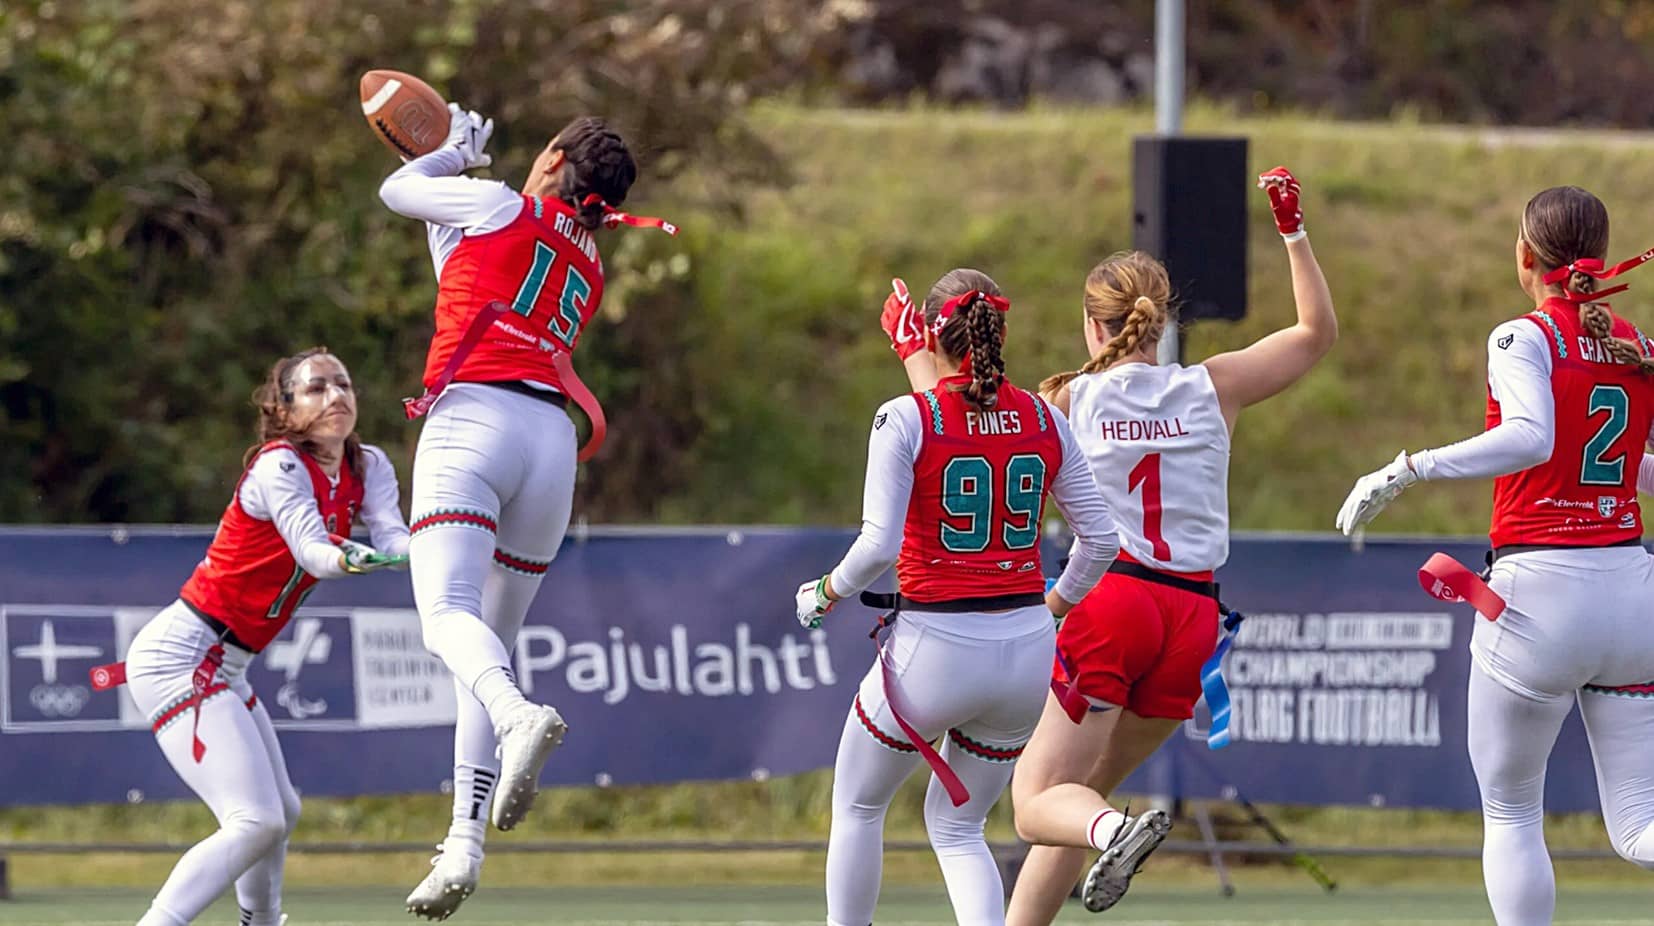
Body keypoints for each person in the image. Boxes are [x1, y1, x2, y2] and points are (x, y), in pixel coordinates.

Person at [1001, 168, 1338, 920]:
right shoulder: (1214, 385)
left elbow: (979, 441)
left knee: (1036, 804)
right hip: (1192, 619)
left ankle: (1117, 829)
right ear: (1162, 322)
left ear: (1095, 326)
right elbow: (1317, 333)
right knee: (1075, 800)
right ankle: (1105, 835)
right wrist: (1293, 231)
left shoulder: (1065, 398)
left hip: (1112, 600)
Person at [378, 102, 669, 919]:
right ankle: (463, 847)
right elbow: (459, 270)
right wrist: (460, 170)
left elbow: (395, 193)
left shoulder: (503, 201)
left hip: (473, 420)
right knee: (488, 645)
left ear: (552, 157)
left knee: (446, 620)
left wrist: (447, 158)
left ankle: (517, 717)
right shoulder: (587, 260)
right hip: (549, 443)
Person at [1336, 186, 1654, 926]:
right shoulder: (1634, 345)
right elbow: (1635, 466)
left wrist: (1407, 467)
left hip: (1542, 594)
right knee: (1638, 827)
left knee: (1512, 811)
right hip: (1632, 591)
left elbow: (1532, 437)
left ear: (1523, 255)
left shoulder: (1525, 337)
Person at [797, 269, 1121, 926]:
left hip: (935, 646)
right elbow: (1103, 541)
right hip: (1027, 649)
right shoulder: (1042, 416)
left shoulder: (904, 417)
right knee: (959, 827)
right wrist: (1053, 607)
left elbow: (878, 547)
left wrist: (824, 592)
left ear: (933, 333)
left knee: (859, 806)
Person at [124, 348, 409, 926]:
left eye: (344, 384)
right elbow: (314, 551)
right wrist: (356, 555)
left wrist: (446, 544)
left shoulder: (370, 464)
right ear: (285, 410)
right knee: (257, 820)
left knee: (282, 808)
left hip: (225, 663)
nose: (336, 397)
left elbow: (396, 537)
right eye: (315, 389)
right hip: (181, 657)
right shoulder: (277, 465)